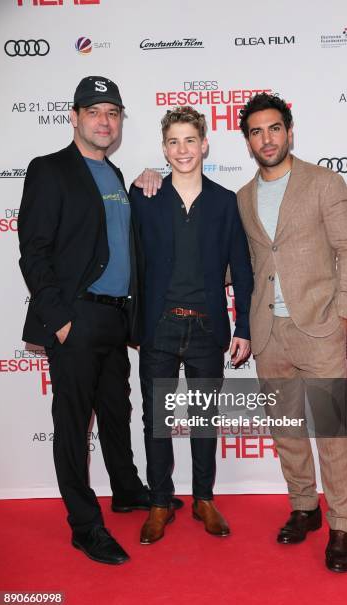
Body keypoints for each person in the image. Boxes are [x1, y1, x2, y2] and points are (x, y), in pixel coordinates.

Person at [18, 76, 182, 566]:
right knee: (72, 425)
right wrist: (60, 319)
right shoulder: (49, 170)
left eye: (112, 112)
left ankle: (128, 489)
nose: (104, 120)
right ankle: (85, 525)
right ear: (74, 117)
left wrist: (148, 177)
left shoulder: (116, 175)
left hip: (116, 319)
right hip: (76, 317)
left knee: (117, 410)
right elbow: (34, 252)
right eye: (94, 111)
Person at [237, 93, 347, 572]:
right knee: (287, 430)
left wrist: (344, 316)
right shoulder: (243, 197)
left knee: (332, 432)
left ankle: (342, 525)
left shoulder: (323, 182)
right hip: (269, 332)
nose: (266, 139)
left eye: (274, 128)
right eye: (255, 131)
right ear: (247, 139)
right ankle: (306, 507)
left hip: (319, 328)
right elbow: (252, 263)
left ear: (289, 131)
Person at [129, 106, 253, 544]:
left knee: (204, 417)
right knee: (155, 420)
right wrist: (135, 327)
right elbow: (132, 264)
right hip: (158, 327)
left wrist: (244, 328)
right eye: (173, 142)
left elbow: (241, 266)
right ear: (164, 148)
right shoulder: (144, 196)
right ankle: (160, 503)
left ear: (204, 145)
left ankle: (203, 499)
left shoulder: (225, 201)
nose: (182, 150)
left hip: (206, 328)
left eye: (190, 140)